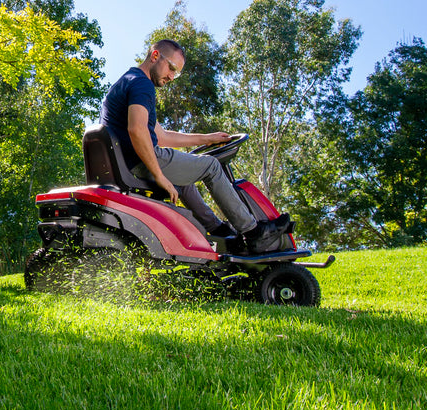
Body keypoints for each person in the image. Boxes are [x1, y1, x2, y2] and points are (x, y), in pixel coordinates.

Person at [99, 38, 291, 252]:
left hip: (129, 162)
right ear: (155, 56)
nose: (171, 77)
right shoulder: (141, 84)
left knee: (184, 181)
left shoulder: (129, 81)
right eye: (171, 68)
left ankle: (218, 230)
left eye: (176, 73)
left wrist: (207, 138)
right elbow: (137, 130)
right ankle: (254, 233)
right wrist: (161, 177)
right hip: (139, 161)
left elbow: (161, 136)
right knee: (211, 166)